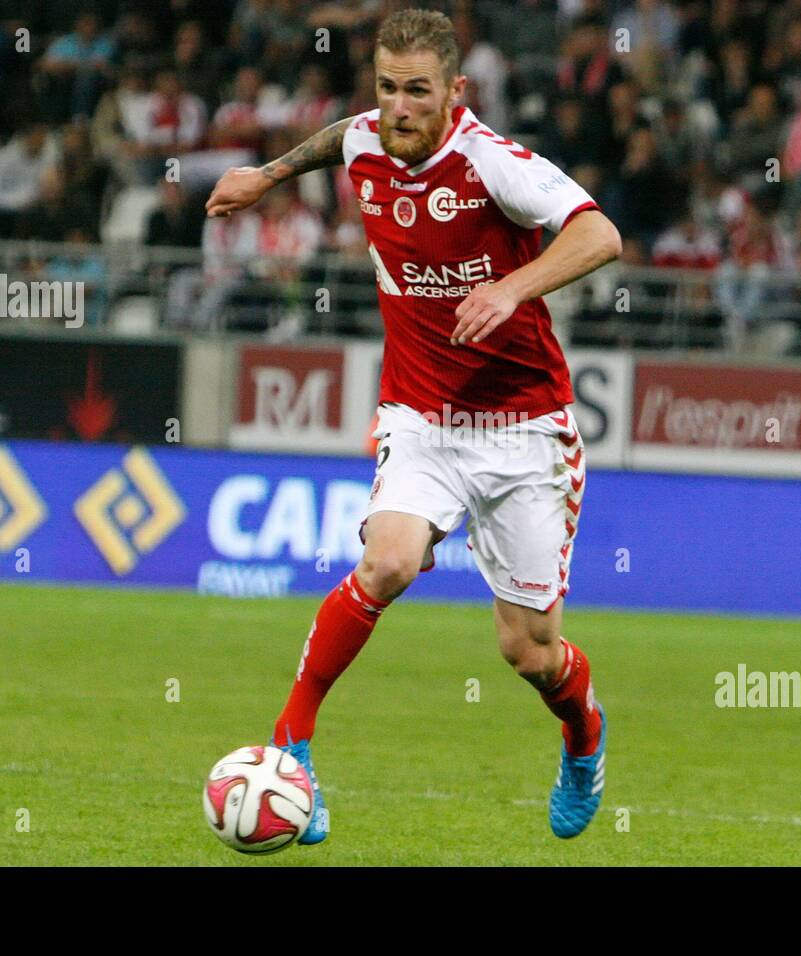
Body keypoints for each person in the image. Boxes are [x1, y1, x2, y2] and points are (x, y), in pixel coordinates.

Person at [205, 8, 621, 844]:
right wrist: (268, 175)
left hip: (524, 430)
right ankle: (294, 744)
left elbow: (600, 233)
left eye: (418, 92)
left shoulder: (491, 164)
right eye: (387, 88)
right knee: (388, 560)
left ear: (455, 91)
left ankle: (584, 737)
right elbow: (339, 138)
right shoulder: (366, 138)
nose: (399, 107)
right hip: (421, 414)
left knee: (531, 654)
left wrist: (514, 287)